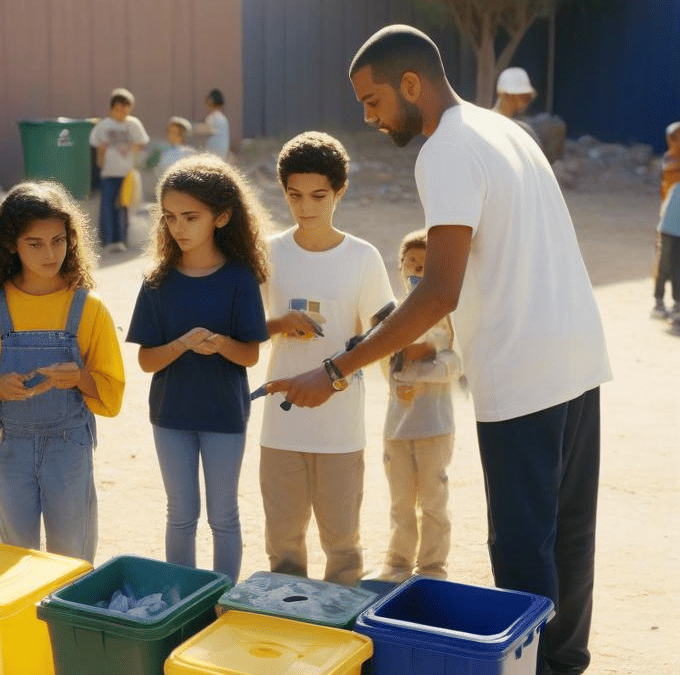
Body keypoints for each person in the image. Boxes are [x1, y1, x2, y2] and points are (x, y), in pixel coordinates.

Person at [269, 25, 611, 675]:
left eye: (372, 102)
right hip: (579, 356)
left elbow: (437, 293)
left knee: (522, 550)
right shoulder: (507, 130)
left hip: (524, 373)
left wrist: (337, 368)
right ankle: (565, 664)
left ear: (410, 84)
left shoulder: (445, 149)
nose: (368, 118)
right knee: (571, 535)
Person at [0, 181, 124, 562]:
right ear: (9, 244)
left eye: (59, 240)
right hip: (10, 447)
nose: (50, 253)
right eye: (35, 243)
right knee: (16, 559)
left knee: (73, 556)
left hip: (70, 447)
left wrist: (80, 377)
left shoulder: (90, 308)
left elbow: (112, 395)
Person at [126, 154, 269, 583]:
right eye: (169, 217)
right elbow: (146, 360)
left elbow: (250, 356)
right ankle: (183, 600)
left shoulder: (240, 279)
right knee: (181, 514)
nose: (179, 227)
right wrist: (181, 345)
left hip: (225, 415)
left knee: (223, 515)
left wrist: (222, 344)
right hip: (170, 417)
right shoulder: (156, 281)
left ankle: (222, 602)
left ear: (221, 217)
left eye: (191, 216)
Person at [259, 131, 392, 586]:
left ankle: (342, 644)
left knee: (342, 547)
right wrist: (279, 324)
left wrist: (340, 371)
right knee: (283, 545)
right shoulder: (269, 253)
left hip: (340, 429)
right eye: (294, 195)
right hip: (280, 425)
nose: (305, 206)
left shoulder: (363, 257)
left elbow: (386, 329)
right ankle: (287, 634)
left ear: (340, 191)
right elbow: (241, 330)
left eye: (318, 195)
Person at [377, 229, 461, 583]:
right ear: (400, 267)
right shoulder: (389, 315)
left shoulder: (449, 317)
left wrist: (427, 361)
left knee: (432, 502)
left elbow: (457, 364)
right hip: (396, 428)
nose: (417, 268)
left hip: (435, 427)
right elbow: (385, 367)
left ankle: (432, 568)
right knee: (400, 503)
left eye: (426, 264)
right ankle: (397, 564)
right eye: (411, 261)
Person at [89, 87, 150, 252]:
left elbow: (141, 142)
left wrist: (131, 149)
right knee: (107, 207)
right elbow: (95, 144)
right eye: (117, 109)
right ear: (111, 109)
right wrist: (101, 159)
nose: (121, 112)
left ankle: (121, 240)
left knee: (123, 207)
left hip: (127, 174)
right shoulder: (104, 126)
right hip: (108, 173)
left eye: (125, 109)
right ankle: (108, 241)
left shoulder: (133, 124)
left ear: (130, 108)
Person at [652, 121, 680, 319]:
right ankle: (659, 301)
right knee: (665, 263)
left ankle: (677, 302)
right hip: (669, 224)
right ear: (671, 141)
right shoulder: (670, 161)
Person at [492, 66, 541, 145]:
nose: (524, 102)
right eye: (521, 96)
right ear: (504, 95)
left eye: (527, 97)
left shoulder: (524, 130)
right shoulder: (488, 125)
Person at [195, 89, 230, 159]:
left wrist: (194, 127)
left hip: (214, 154)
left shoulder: (215, 117)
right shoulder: (222, 118)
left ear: (212, 101)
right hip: (220, 154)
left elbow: (207, 130)